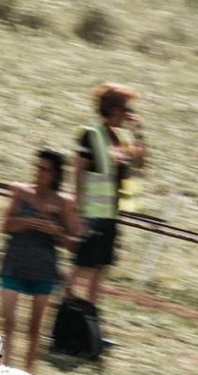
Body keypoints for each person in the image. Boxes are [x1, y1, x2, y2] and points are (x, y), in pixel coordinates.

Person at [0, 149, 81, 370]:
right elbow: (5, 226)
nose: (39, 172)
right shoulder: (20, 192)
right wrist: (27, 222)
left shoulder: (65, 203)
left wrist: (55, 231)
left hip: (44, 270)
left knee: (34, 329)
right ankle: (4, 371)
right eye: (37, 167)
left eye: (44, 169)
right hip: (14, 264)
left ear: (55, 174)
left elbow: (74, 244)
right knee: (8, 321)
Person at [67, 82, 148, 305]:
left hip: (111, 213)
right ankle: (64, 316)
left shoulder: (123, 139)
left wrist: (139, 133)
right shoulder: (91, 134)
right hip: (91, 213)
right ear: (113, 109)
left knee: (99, 269)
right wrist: (79, 211)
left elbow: (141, 164)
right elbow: (78, 172)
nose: (130, 115)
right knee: (81, 266)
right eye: (127, 109)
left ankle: (90, 322)